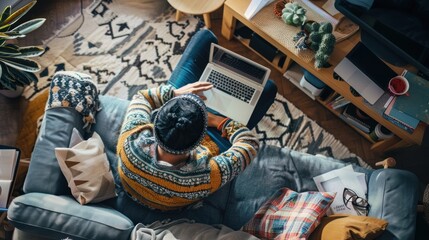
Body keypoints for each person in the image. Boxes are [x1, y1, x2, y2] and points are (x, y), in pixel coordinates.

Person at [117, 29, 277, 211]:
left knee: (206, 37)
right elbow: (249, 144)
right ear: (201, 142)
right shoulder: (207, 175)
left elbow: (141, 98)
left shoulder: (131, 140)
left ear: (155, 121)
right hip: (200, 149)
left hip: (141, 183)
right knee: (269, 88)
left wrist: (176, 93)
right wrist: (218, 121)